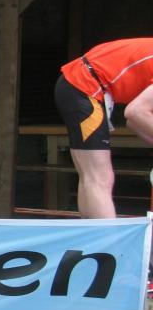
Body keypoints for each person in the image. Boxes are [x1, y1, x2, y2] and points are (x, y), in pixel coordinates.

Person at [54, 38, 153, 218]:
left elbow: (135, 123)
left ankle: (93, 234)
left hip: (80, 83)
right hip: (84, 84)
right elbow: (135, 112)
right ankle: (108, 237)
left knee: (91, 178)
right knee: (99, 178)